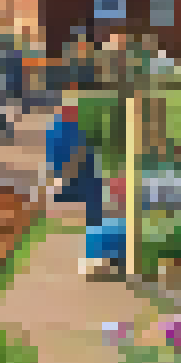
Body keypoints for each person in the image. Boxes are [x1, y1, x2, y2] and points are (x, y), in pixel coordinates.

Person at [46, 96, 114, 276]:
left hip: (83, 175)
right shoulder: (62, 129)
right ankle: (95, 259)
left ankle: (98, 258)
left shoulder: (61, 127)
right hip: (81, 175)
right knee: (97, 213)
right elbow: (65, 156)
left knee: (98, 213)